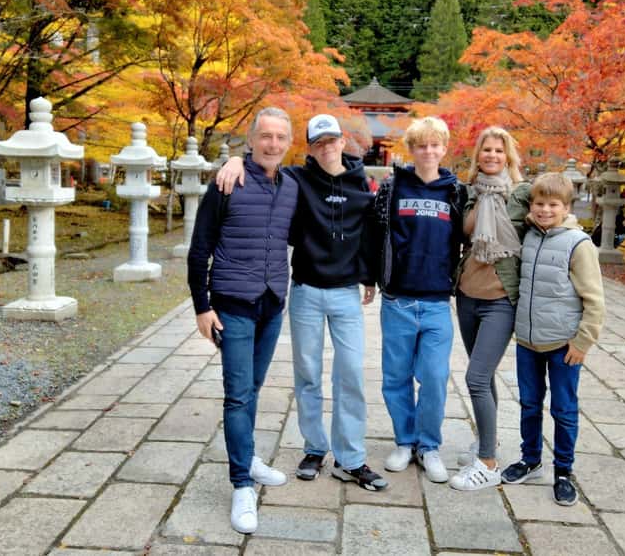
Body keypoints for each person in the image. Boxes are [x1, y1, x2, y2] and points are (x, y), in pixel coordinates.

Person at [216, 113, 388, 492]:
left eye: (332, 140)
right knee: (308, 374)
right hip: (307, 290)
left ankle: (351, 457)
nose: (327, 147)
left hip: (346, 293)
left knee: (351, 375)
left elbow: (371, 236)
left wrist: (370, 277)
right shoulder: (297, 179)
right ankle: (314, 448)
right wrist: (233, 158)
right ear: (310, 147)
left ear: (343, 141)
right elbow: (262, 166)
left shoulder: (364, 185)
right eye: (318, 142)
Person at [187, 107, 298, 534]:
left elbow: (330, 180)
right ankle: (240, 485)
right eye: (265, 136)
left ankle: (247, 454)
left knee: (252, 388)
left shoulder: (290, 185)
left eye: (280, 137)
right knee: (236, 395)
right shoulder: (227, 181)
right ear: (251, 140)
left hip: (271, 303)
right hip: (232, 303)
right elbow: (200, 249)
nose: (272, 144)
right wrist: (202, 306)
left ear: (288, 143)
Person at [501, 172, 605, 506]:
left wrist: (583, 342)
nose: (545, 210)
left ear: (566, 207)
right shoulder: (528, 236)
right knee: (529, 404)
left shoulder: (579, 244)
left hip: (563, 344)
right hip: (528, 342)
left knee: (563, 408)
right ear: (531, 206)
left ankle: (563, 471)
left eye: (553, 204)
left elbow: (595, 299)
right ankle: (530, 459)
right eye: (539, 203)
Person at [373, 116, 467, 483]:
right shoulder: (393, 187)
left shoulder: (456, 191)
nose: (428, 151)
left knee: (434, 375)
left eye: (435, 145)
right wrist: (372, 279)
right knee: (395, 377)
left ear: (444, 148)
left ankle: (429, 446)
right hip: (397, 299)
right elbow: (375, 232)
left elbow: (469, 235)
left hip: (436, 302)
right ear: (411, 149)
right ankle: (404, 440)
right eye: (421, 145)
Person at [450, 127, 530, 491]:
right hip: (468, 295)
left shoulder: (522, 195)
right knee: (486, 376)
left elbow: (552, 218)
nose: (492, 156)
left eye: (499, 150)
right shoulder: (468, 192)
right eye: (486, 150)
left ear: (508, 156)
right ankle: (488, 441)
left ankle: (488, 463)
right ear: (478, 155)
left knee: (476, 378)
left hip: (500, 300)